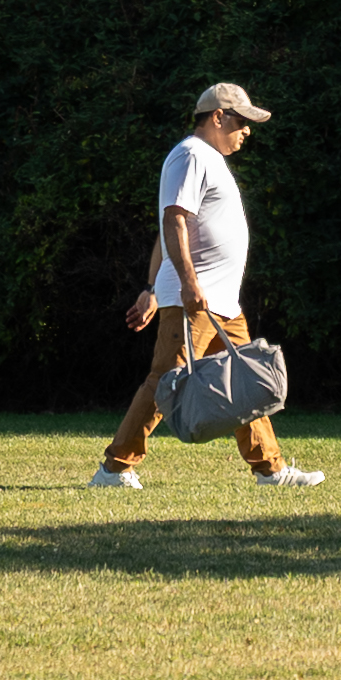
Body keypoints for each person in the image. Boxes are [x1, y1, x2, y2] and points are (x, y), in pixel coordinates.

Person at [94, 75, 323, 487]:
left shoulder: (208, 159)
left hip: (219, 301)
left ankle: (270, 470)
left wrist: (150, 289)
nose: (247, 131)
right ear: (218, 117)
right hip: (195, 298)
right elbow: (173, 219)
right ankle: (114, 469)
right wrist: (186, 284)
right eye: (241, 121)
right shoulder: (190, 154)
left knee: (244, 381)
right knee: (165, 382)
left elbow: (172, 228)